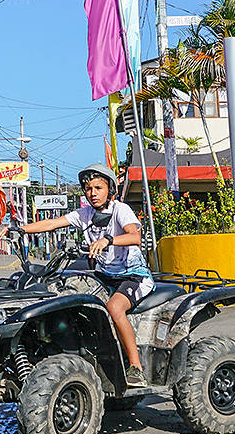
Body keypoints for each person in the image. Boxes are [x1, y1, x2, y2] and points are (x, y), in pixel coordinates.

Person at [13, 163, 153, 388]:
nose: (93, 193)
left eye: (98, 187)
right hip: (104, 276)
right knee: (67, 294)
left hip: (133, 276)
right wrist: (20, 229)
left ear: (110, 190)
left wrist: (108, 239)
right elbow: (51, 223)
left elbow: (134, 236)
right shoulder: (85, 214)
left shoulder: (120, 210)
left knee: (114, 308)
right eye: (88, 189)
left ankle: (136, 367)